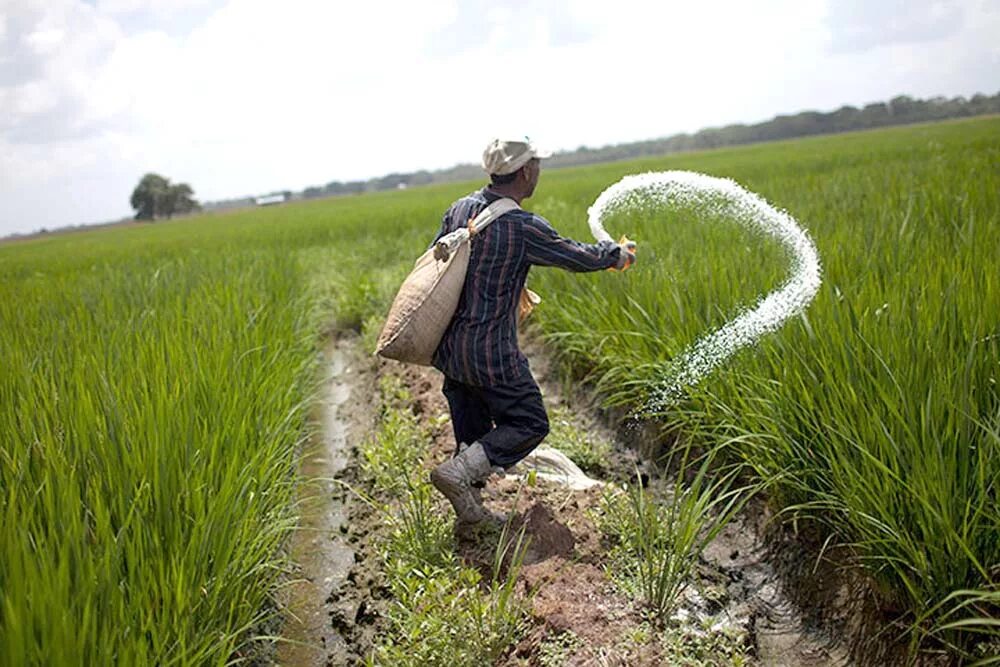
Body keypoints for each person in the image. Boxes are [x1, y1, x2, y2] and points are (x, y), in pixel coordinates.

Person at [429, 137, 636, 531]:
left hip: (452, 349)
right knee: (529, 422)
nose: (538, 171)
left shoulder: (460, 209)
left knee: (473, 433)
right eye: (536, 165)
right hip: (491, 351)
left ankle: (470, 516)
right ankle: (456, 477)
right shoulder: (521, 226)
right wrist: (616, 255)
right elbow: (574, 256)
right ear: (525, 171)